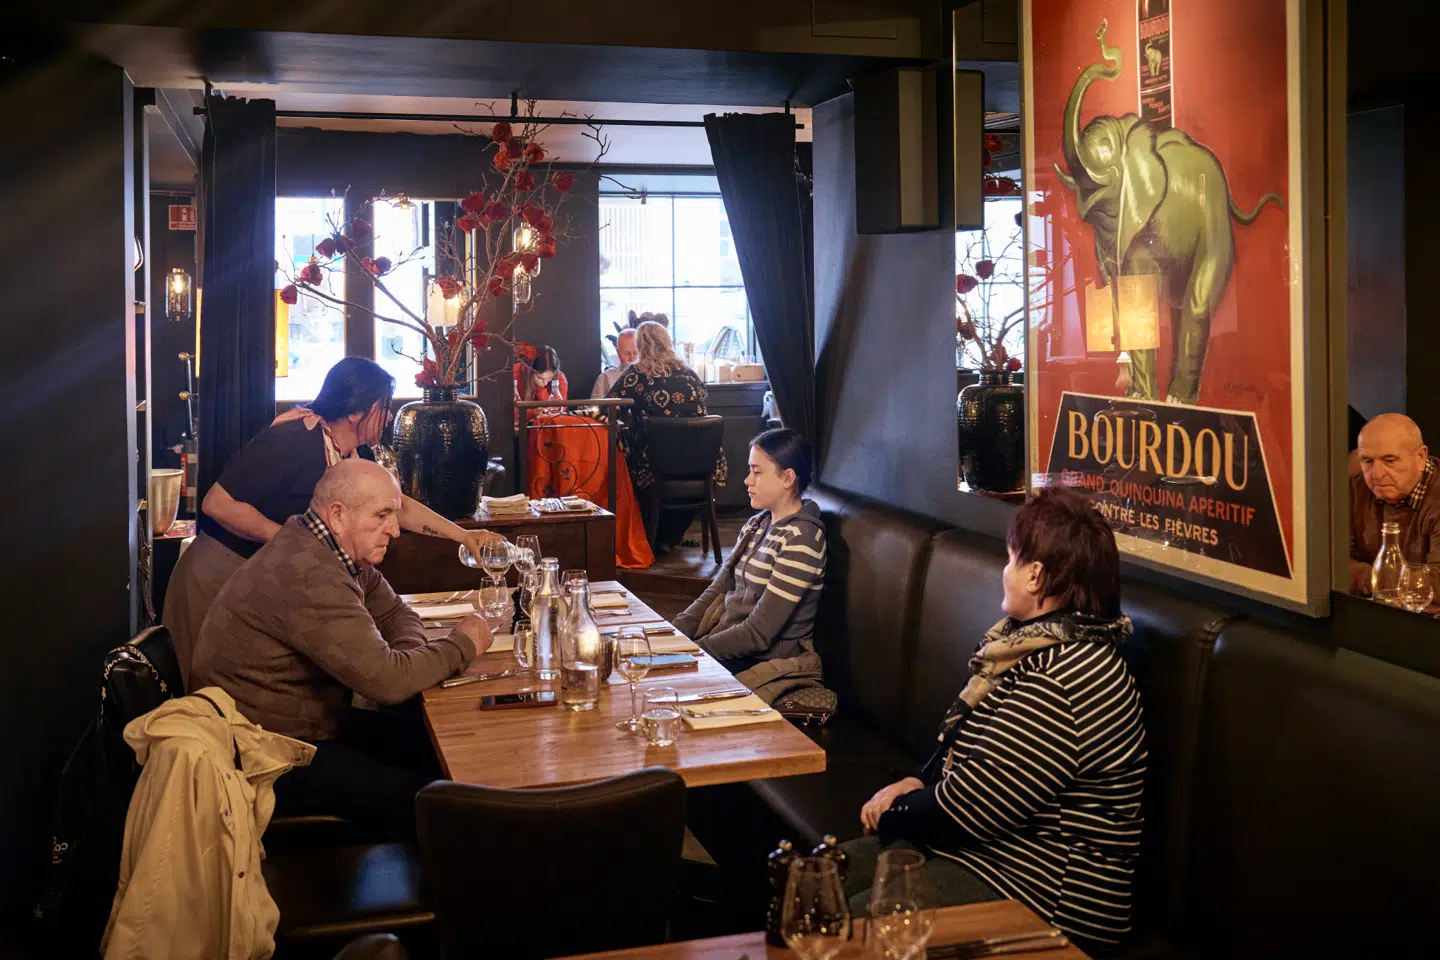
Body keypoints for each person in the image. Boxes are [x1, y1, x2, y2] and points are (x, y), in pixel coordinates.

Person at [841, 487, 1145, 951]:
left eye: (1011, 559)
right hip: (993, 853)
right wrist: (918, 784)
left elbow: (971, 810)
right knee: (822, 877)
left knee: (853, 923)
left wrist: (894, 811)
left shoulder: (1065, 677)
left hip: (1046, 891)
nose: (1004, 572)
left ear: (1035, 577)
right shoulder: (1035, 647)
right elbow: (976, 761)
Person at [190, 459, 492, 838]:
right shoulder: (310, 570)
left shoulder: (329, 548)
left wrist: (407, 658)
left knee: (434, 750)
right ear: (337, 515)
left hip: (301, 728)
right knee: (446, 804)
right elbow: (387, 683)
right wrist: (465, 643)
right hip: (266, 755)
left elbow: (398, 615)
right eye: (382, 515)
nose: (395, 530)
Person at [163, 357, 502, 686]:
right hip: (217, 573)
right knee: (204, 697)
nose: (387, 418)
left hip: (262, 571)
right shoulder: (294, 438)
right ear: (355, 410)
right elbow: (217, 503)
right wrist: (292, 540)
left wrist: (463, 536)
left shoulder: (354, 452)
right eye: (382, 407)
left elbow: (398, 505)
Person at [673, 430, 827, 701]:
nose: (747, 481)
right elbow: (715, 591)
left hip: (763, 661)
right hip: (729, 647)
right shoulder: (757, 524)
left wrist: (693, 653)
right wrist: (673, 635)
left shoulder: (802, 540)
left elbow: (759, 634)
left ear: (788, 479)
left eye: (756, 472)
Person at [609, 320, 727, 495]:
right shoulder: (691, 374)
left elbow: (607, 408)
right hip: (701, 464)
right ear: (668, 343)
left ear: (640, 346)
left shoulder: (636, 374)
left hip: (653, 469)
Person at [1348, 413, 1440, 605]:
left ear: (1421, 457)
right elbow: (1330, 565)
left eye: (1390, 460)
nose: (1377, 474)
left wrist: (1366, 577)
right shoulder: (1355, 490)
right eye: (1367, 461)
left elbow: (1437, 585)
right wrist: (1408, 582)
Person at [513, 343, 568, 421]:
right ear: (530, 370)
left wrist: (541, 390)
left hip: (547, 426)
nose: (545, 382)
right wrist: (533, 412)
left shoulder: (560, 378)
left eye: (549, 378)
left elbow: (560, 408)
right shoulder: (515, 373)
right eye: (540, 377)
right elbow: (508, 411)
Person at [591, 328, 637, 399]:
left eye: (636, 353)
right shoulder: (606, 378)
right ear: (618, 353)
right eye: (627, 354)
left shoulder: (649, 377)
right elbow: (594, 407)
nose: (632, 358)